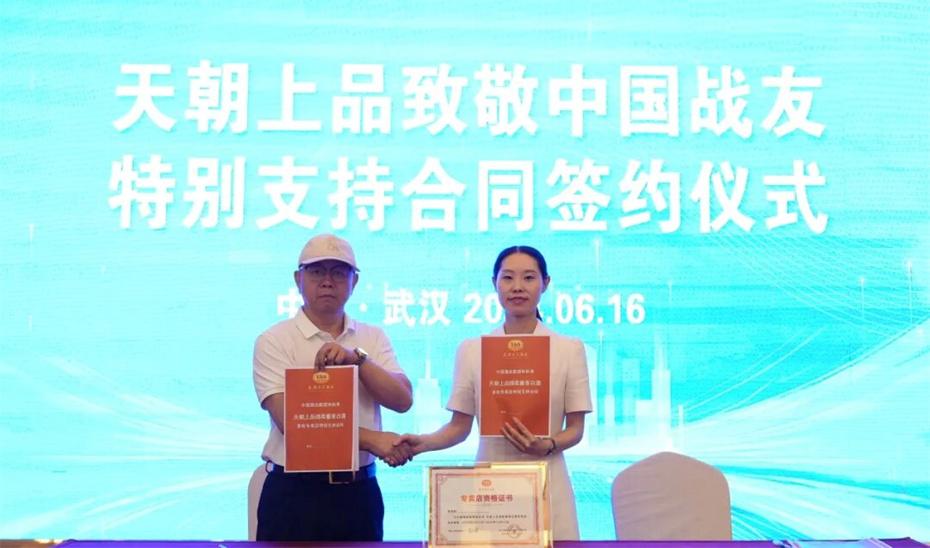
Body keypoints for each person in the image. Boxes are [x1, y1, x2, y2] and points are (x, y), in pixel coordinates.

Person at [397, 245, 592, 540]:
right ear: (494, 284)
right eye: (508, 278)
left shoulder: (569, 349)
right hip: (491, 489)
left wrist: (548, 444)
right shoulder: (472, 350)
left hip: (548, 481)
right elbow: (459, 427)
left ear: (545, 283)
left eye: (529, 278)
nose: (517, 287)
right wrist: (420, 443)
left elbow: (576, 429)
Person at [252, 233, 414, 541]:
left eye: (339, 273)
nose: (328, 281)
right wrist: (372, 440)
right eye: (317, 272)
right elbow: (293, 424)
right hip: (293, 494)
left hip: (359, 493)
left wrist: (358, 360)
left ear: (355, 281)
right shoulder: (274, 340)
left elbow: (402, 399)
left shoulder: (372, 337)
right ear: (298, 279)